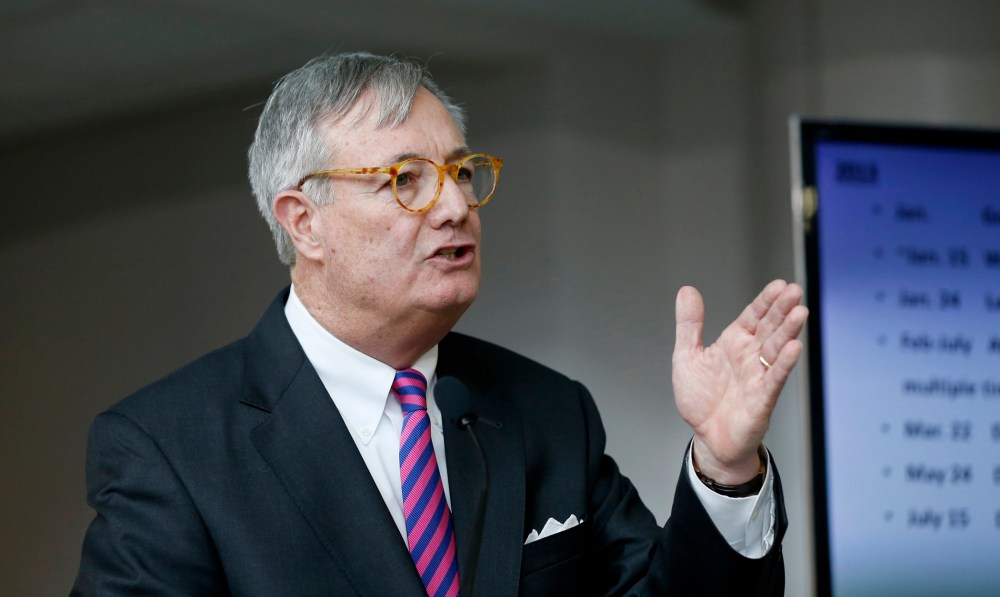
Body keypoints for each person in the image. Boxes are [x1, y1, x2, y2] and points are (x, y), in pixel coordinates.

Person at [72, 52, 808, 596]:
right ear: (306, 223)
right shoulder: (170, 449)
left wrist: (724, 466)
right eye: (406, 182)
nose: (455, 206)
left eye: (460, 172)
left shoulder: (546, 412)